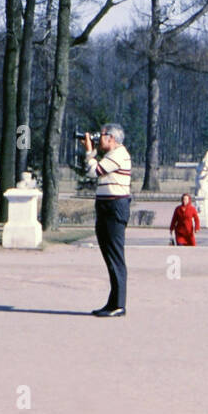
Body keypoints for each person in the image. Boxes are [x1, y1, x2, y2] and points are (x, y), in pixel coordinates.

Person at [83, 124, 131, 318]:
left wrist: (89, 152)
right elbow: (90, 171)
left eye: (101, 135)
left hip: (114, 207)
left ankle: (119, 304)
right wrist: (91, 152)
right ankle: (113, 303)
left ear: (111, 138)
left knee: (115, 256)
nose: (99, 138)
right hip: (106, 207)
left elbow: (95, 171)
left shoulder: (119, 155)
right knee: (110, 256)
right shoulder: (112, 155)